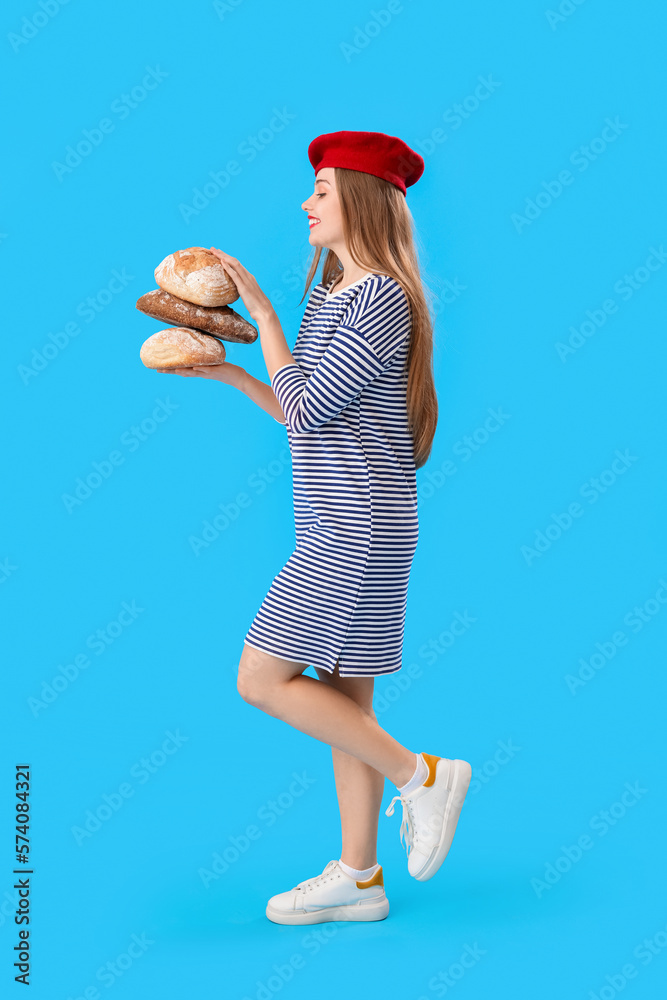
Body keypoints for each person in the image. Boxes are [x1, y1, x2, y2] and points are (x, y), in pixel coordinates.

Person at [156, 130, 472, 925]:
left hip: (353, 528)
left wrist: (259, 314)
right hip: (349, 517)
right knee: (344, 704)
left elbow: (305, 403)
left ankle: (422, 776)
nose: (307, 201)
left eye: (323, 189)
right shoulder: (338, 296)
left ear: (362, 199)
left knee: (261, 678)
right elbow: (310, 424)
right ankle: (359, 876)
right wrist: (230, 372)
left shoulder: (377, 300)